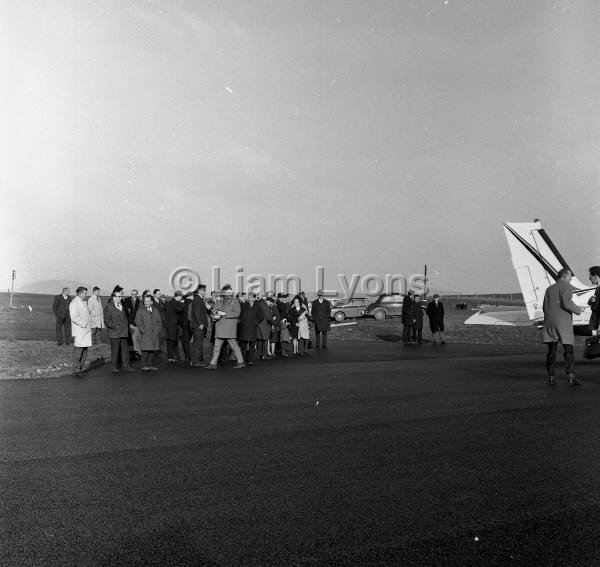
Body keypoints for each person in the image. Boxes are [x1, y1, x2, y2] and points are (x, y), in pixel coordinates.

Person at [543, 268, 586, 386]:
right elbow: (566, 303)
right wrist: (579, 309)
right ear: (564, 276)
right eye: (570, 276)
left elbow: (544, 307)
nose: (571, 278)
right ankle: (571, 377)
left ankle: (551, 377)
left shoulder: (549, 289)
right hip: (563, 322)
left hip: (549, 322)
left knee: (551, 351)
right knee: (568, 350)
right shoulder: (567, 287)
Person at [207, 287, 246, 369]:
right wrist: (214, 317)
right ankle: (213, 364)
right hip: (220, 327)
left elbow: (237, 313)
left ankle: (241, 362)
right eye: (226, 291)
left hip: (229, 328)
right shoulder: (218, 301)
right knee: (217, 348)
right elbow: (213, 312)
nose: (228, 293)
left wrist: (224, 313)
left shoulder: (235, 301)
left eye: (229, 291)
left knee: (234, 346)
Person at [104, 288, 135, 373]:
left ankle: (126, 365)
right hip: (115, 333)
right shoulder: (108, 307)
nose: (121, 298)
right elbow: (107, 321)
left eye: (121, 296)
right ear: (114, 297)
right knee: (115, 351)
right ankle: (113, 366)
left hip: (124, 332)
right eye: (119, 297)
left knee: (125, 350)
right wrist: (116, 326)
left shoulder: (122, 306)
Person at [135, 294, 162, 371]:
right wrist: (142, 330)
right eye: (145, 301)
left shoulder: (155, 310)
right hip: (145, 333)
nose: (146, 303)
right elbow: (138, 322)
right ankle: (144, 365)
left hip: (154, 334)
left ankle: (150, 365)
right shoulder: (140, 310)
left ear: (152, 302)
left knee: (152, 349)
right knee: (145, 350)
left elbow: (159, 322)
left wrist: (157, 331)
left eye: (148, 301)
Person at [69, 286, 91, 376]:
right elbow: (74, 317)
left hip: (85, 330)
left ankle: (81, 368)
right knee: (79, 349)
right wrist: (83, 324)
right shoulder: (74, 303)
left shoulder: (83, 302)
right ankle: (76, 369)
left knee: (85, 349)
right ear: (80, 293)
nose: (86, 295)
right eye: (85, 293)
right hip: (80, 330)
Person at [238, 292, 263, 364]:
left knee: (252, 345)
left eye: (251, 297)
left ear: (254, 298)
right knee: (243, 345)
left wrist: (256, 322)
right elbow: (240, 315)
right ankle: (242, 360)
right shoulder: (243, 305)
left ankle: (250, 360)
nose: (249, 299)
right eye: (248, 297)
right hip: (244, 328)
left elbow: (261, 317)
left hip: (252, 328)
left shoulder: (258, 306)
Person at [189, 284, 210, 367]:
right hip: (198, 326)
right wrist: (200, 323)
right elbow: (197, 312)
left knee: (198, 343)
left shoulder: (199, 299)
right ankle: (197, 361)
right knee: (198, 344)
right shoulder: (198, 299)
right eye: (204, 290)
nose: (205, 292)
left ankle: (198, 360)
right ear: (199, 291)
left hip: (197, 325)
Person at [165, 291, 185, 362]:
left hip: (170, 324)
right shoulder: (174, 302)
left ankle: (174, 356)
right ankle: (170, 357)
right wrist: (182, 303)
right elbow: (179, 309)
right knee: (172, 341)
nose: (181, 299)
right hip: (172, 325)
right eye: (181, 297)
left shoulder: (172, 302)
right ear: (178, 296)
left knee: (172, 341)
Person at [123, 289, 142, 359]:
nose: (133, 295)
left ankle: (137, 351)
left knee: (136, 335)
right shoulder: (127, 299)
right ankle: (134, 351)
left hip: (136, 320)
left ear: (136, 294)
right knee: (132, 335)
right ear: (131, 293)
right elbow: (125, 309)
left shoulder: (138, 301)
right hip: (129, 320)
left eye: (135, 294)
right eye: (132, 293)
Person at [588, 266, 600, 335]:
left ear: (595, 276)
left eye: (590, 276)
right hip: (595, 323)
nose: (589, 279)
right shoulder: (598, 289)